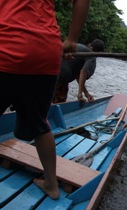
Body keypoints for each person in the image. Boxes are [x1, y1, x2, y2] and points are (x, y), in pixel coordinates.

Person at [0, 0, 90, 199]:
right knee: (40, 122)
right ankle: (51, 184)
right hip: (46, 52)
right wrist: (72, 39)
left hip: (6, 47)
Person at [52, 39, 105, 103]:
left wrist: (86, 93)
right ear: (99, 53)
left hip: (48, 71)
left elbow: (79, 76)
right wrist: (80, 94)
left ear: (90, 44)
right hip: (61, 77)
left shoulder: (78, 46)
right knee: (58, 102)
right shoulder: (92, 56)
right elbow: (83, 72)